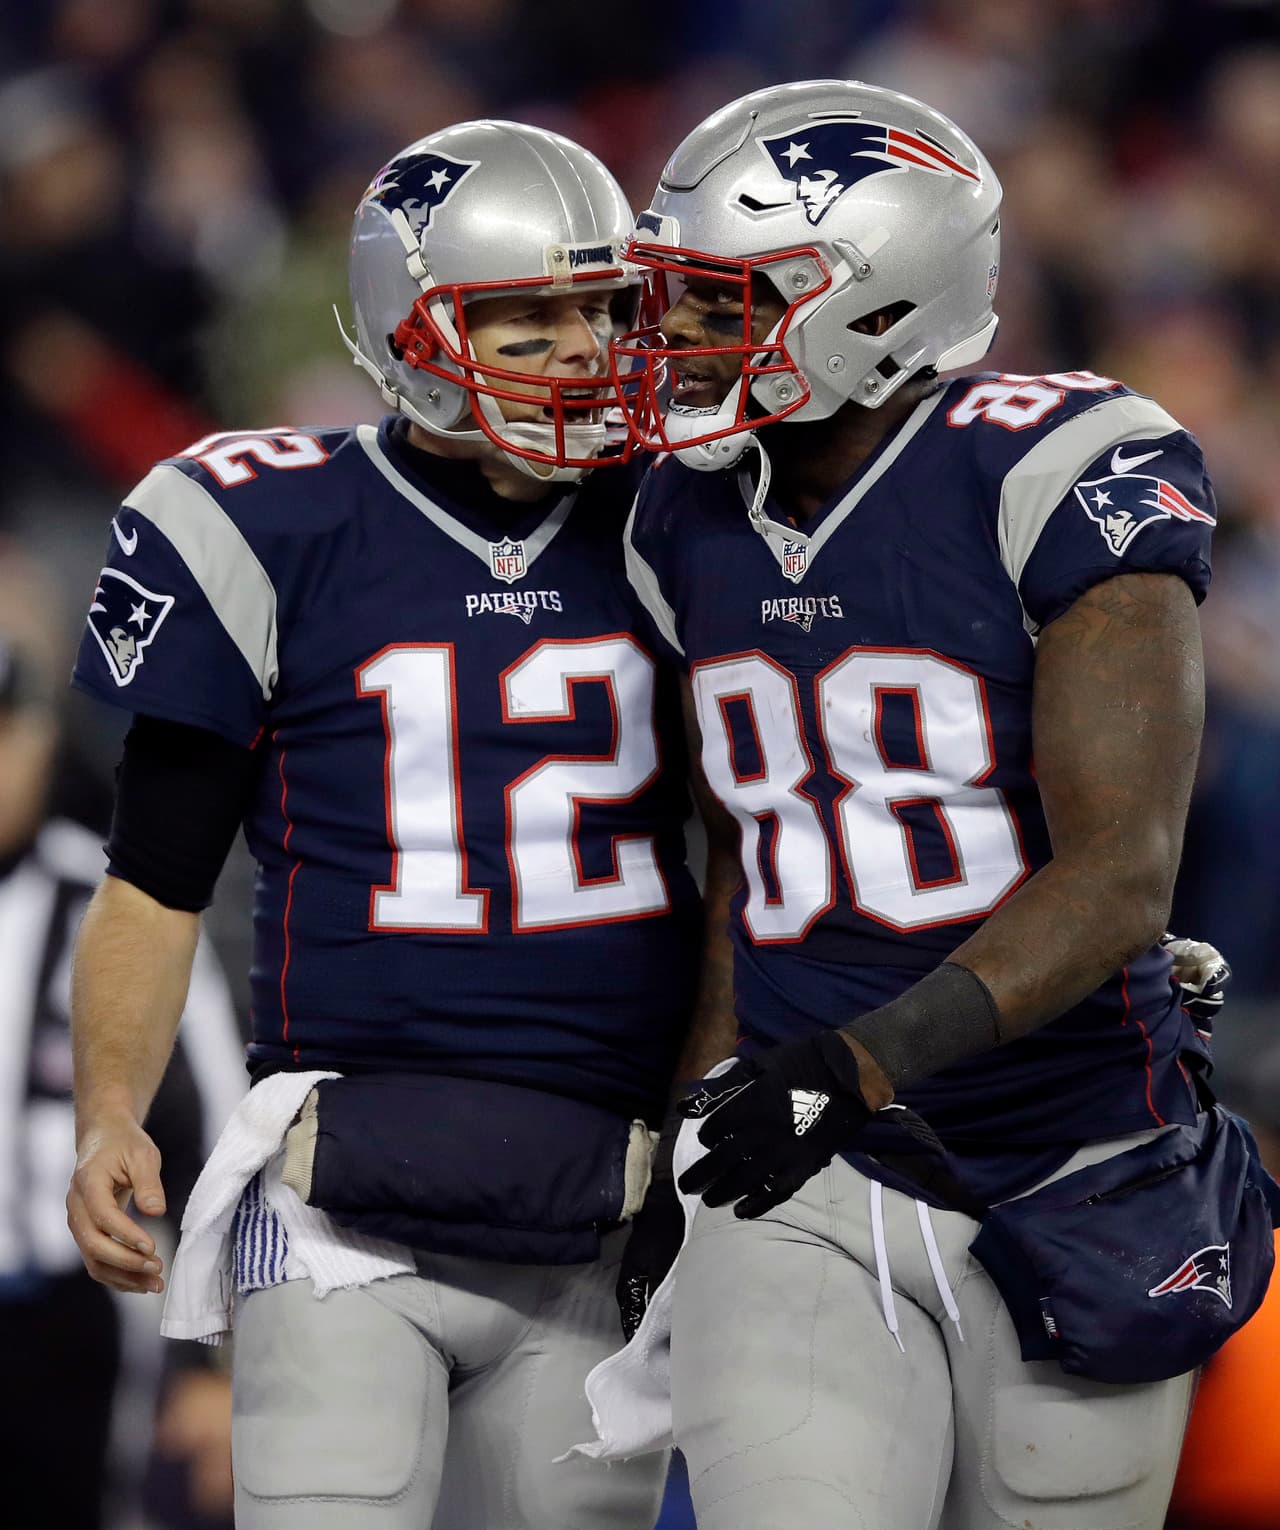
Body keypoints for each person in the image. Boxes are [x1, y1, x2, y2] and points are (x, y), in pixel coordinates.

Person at [609, 78, 1276, 1530]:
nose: (675, 340)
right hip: (804, 1158)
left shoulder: (1058, 467)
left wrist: (855, 1058)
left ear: (871, 307)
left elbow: (1119, 882)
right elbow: (747, 862)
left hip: (1077, 1158)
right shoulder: (678, 515)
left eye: (719, 301)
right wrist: (689, 1127)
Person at [66, 120, 714, 1530]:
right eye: (523, 314)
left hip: (609, 1192)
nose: (575, 345)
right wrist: (109, 1104)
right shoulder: (266, 521)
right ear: (407, 328)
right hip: (340, 1193)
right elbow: (156, 878)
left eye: (599, 306)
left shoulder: (688, 519)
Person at [0, 544, 243, 1529]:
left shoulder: (111, 909)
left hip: (61, 1321)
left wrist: (209, 1361)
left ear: (41, 737)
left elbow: (216, 1138)